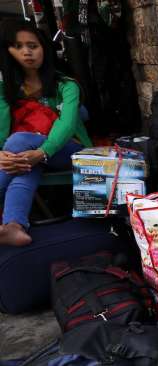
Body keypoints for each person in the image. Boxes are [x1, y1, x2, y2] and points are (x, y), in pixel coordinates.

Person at [0, 20, 92, 246]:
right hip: (25, 155)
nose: (26, 52)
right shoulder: (7, 89)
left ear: (44, 49)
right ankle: (14, 225)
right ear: (8, 51)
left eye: (33, 46)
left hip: (70, 150)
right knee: (24, 163)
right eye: (18, 46)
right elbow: (1, 125)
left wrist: (42, 152)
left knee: (20, 141)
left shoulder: (66, 85)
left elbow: (67, 125)